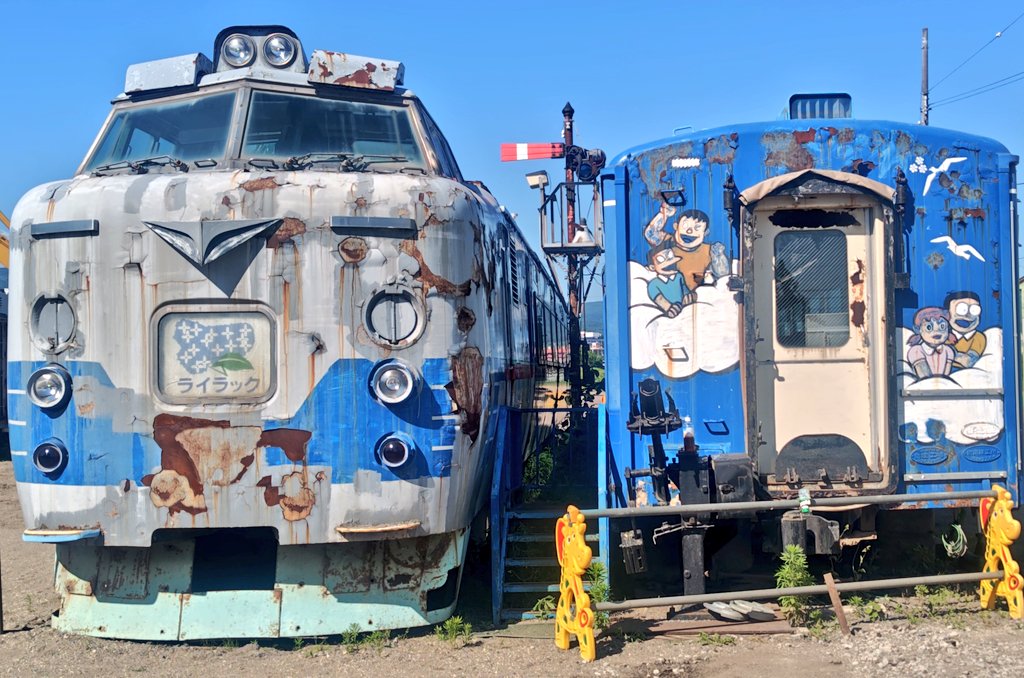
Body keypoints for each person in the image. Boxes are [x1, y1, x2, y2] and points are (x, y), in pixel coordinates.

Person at [645, 243, 693, 318]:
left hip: (685, 312)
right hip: (669, 316)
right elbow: (660, 299)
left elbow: (684, 289)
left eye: (670, 255)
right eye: (660, 259)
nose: (669, 264)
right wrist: (669, 308)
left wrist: (688, 296)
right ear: (652, 267)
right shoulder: (653, 285)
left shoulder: (679, 276)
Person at [906, 306, 954, 379]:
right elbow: (924, 376)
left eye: (942, 326)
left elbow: (946, 376)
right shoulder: (916, 351)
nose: (936, 331)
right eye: (929, 327)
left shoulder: (948, 350)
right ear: (918, 330)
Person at [944, 291, 986, 368]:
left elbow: (968, 361)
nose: (967, 315)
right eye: (961, 309)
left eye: (974, 310)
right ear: (947, 314)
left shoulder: (978, 337)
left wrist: (946, 353)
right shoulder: (943, 336)